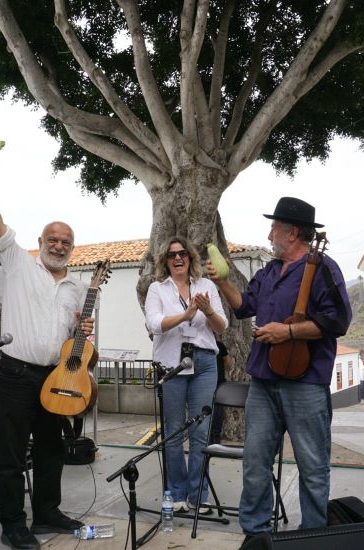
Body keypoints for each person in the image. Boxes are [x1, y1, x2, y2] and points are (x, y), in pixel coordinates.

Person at [207, 197, 352, 541]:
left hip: (306, 385)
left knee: (313, 468)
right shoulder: (269, 271)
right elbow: (244, 307)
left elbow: (338, 320)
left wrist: (286, 331)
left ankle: (312, 538)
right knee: (255, 463)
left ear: (291, 234)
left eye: (274, 227)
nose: (269, 233)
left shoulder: (324, 268)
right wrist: (223, 281)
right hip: (263, 382)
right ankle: (255, 536)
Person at [0, 157, 94, 550]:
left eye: (66, 242)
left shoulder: (76, 287)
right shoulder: (18, 265)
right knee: (10, 456)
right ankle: (13, 524)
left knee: (50, 450)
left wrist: (81, 330)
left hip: (55, 378)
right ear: (40, 243)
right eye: (52, 239)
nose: (58, 245)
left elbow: (74, 341)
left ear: (72, 249)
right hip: (18, 375)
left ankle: (46, 513)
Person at [144, 236, 228, 514]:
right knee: (173, 431)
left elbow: (221, 327)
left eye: (182, 254)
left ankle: (198, 495)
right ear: (165, 261)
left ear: (190, 258)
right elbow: (154, 324)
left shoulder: (207, 286)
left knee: (200, 431)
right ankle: (176, 494)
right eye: (171, 255)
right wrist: (184, 315)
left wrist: (207, 310)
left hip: (204, 363)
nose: (177, 258)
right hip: (172, 364)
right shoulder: (157, 289)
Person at [209, 339, 231, 444]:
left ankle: (215, 435)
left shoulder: (219, 345)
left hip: (219, 383)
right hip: (208, 383)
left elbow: (226, 360)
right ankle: (209, 435)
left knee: (218, 410)